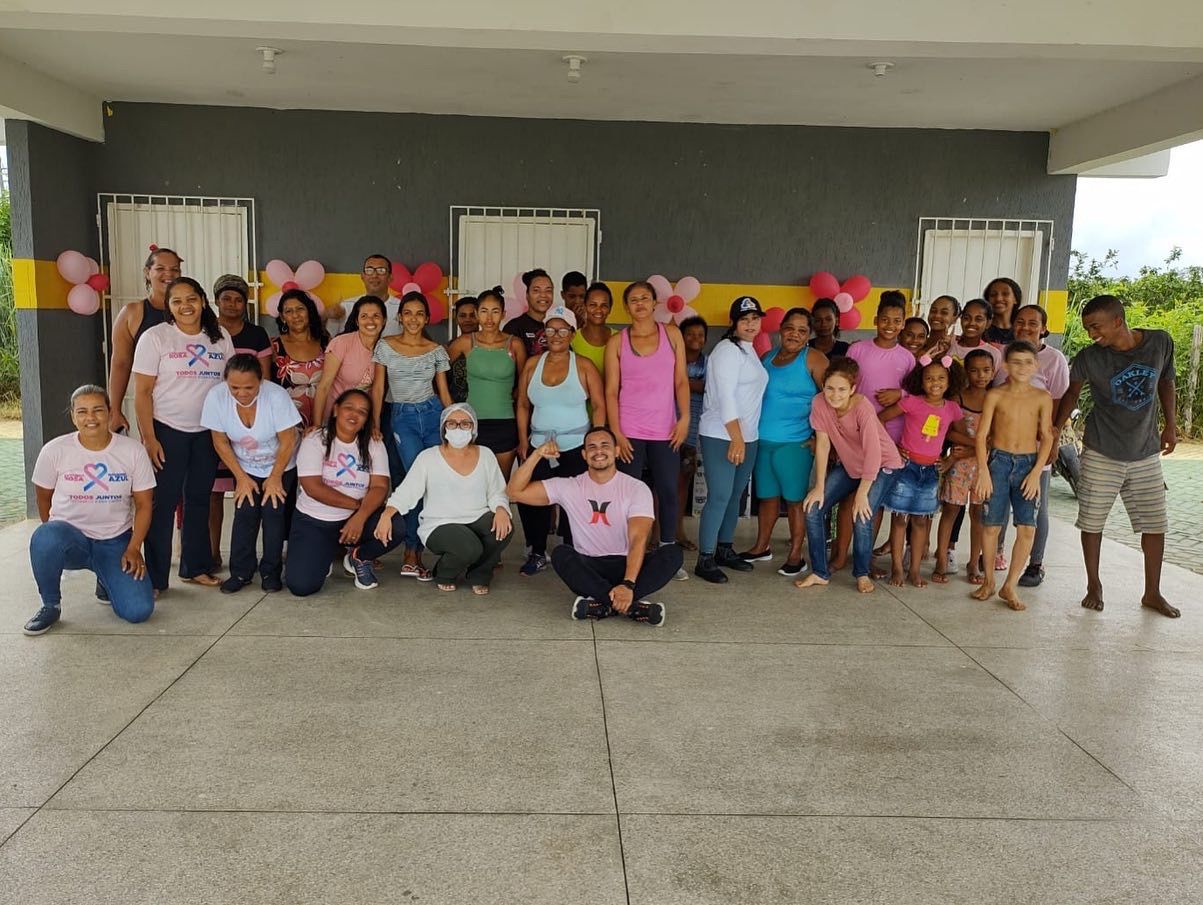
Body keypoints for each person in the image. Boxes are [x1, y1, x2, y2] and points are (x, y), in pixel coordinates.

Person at [1054, 294, 1179, 618]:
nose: (1091, 334)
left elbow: (1167, 382)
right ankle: (1093, 585)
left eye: (1096, 327)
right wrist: (1054, 431)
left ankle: (1152, 592)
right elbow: (1071, 394)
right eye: (1087, 328)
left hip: (1145, 451)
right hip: (1101, 450)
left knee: (1155, 524)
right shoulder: (1089, 357)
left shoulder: (1159, 343)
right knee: (1092, 521)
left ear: (1118, 321)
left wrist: (1171, 426)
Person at [507, 428, 681, 626]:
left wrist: (627, 583)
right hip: (589, 567)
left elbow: (638, 539)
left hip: (628, 565)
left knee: (672, 553)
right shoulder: (569, 486)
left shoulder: (636, 488)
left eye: (605, 445)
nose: (598, 451)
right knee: (561, 554)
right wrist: (537, 454)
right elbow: (514, 492)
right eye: (592, 447)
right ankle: (631, 607)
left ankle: (603, 604)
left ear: (616, 451)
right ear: (584, 455)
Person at [22, 386, 156, 635]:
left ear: (110, 413)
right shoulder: (54, 450)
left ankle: (105, 578)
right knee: (45, 536)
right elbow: (43, 498)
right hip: (73, 540)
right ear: (73, 416)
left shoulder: (133, 451)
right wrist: (53, 538)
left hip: (114, 541)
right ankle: (50, 605)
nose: (90, 418)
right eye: (82, 411)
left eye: (98, 410)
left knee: (138, 611)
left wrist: (134, 547)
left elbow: (144, 504)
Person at [132, 277, 234, 592]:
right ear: (169, 307)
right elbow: (142, 393)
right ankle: (156, 579)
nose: (185, 306)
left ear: (202, 301)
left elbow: (230, 387)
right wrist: (149, 438)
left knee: (199, 500)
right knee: (162, 505)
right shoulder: (156, 337)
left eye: (191, 299)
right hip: (167, 431)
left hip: (207, 432)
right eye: (176, 301)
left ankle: (195, 567)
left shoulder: (220, 337)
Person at [373, 404, 513, 594]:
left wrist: (502, 509)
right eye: (452, 423)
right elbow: (407, 491)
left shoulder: (486, 454)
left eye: (465, 423)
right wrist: (387, 514)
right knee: (470, 547)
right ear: (443, 428)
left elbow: (497, 491)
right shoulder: (428, 457)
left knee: (504, 528)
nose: (458, 428)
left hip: (476, 517)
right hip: (439, 524)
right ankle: (444, 573)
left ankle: (479, 574)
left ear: (473, 428)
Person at [285, 389, 407, 596]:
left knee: (395, 526)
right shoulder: (315, 439)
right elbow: (313, 487)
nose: (354, 415)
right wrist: (357, 507)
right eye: (349, 408)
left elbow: (380, 486)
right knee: (301, 587)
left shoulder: (374, 444)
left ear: (367, 420)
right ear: (335, 410)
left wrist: (360, 517)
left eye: (362, 412)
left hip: (355, 519)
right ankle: (322, 555)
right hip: (315, 520)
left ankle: (358, 557)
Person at [796, 359, 902, 594]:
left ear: (853, 389)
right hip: (851, 464)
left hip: (883, 464)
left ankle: (862, 573)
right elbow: (823, 444)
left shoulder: (863, 408)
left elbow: (873, 453)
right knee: (813, 508)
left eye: (842, 389)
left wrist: (862, 493)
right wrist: (819, 486)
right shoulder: (819, 403)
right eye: (830, 388)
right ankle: (820, 573)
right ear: (823, 386)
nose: (835, 395)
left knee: (862, 514)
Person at [514, 304, 606, 574]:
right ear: (544, 333)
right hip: (539, 446)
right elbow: (522, 404)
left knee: (576, 502)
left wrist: (595, 445)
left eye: (563, 330)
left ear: (572, 333)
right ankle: (537, 551)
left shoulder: (584, 366)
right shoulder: (532, 364)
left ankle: (573, 551)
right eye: (551, 330)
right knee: (532, 500)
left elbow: (599, 405)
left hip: (576, 446)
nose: (556, 335)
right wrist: (523, 440)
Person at [201, 354, 301, 594]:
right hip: (245, 465)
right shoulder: (216, 397)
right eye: (234, 387)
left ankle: (271, 572)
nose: (242, 393)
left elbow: (288, 440)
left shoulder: (276, 396)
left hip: (280, 463)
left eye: (249, 387)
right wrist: (241, 478)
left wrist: (275, 478)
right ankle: (241, 572)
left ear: (261, 381)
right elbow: (220, 441)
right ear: (226, 381)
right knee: (245, 512)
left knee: (273, 512)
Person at [371, 291, 452, 580]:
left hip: (432, 414)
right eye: (408, 313)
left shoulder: (436, 350)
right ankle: (411, 551)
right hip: (402, 417)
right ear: (400, 317)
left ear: (427, 318)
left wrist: (453, 424)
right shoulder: (386, 346)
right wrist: (375, 423)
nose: (413, 319)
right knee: (413, 480)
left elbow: (443, 392)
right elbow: (378, 388)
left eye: (419, 314)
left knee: (436, 481)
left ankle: (438, 547)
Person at [740, 307, 828, 576]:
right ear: (781, 330)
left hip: (795, 443)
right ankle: (761, 547)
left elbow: (832, 401)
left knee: (794, 501)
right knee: (767, 497)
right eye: (790, 328)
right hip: (763, 440)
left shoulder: (814, 359)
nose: (794, 334)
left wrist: (818, 438)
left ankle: (795, 555)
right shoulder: (767, 357)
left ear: (808, 335)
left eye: (802, 331)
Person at [604, 281, 690, 552]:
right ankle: (627, 551)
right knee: (628, 494)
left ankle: (666, 549)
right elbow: (610, 391)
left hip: (665, 430)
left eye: (644, 298)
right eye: (633, 299)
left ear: (655, 303)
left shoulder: (672, 334)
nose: (639, 303)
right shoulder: (616, 342)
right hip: (628, 431)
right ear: (626, 307)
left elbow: (681, 381)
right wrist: (616, 432)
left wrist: (685, 418)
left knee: (668, 490)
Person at [973, 341, 1054, 611]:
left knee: (1027, 527)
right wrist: (983, 471)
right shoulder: (996, 395)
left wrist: (1036, 473)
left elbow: (1047, 437)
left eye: (1028, 362)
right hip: (998, 462)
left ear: (1036, 366)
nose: (1022, 367)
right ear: (1005, 366)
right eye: (1016, 362)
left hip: (1028, 465)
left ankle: (1010, 584)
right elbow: (982, 435)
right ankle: (988, 581)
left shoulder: (1042, 397)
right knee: (991, 525)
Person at [694, 297, 770, 583]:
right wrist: (736, 438)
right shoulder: (726, 350)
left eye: (755, 319)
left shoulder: (749, 350)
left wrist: (745, 437)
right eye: (744, 319)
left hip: (748, 435)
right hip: (721, 434)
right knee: (720, 495)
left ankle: (724, 548)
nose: (750, 324)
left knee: (735, 495)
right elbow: (725, 397)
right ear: (734, 323)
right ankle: (705, 557)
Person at [877, 355, 965, 587]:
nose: (935, 383)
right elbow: (880, 419)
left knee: (920, 521)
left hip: (931, 472)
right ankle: (897, 568)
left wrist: (950, 459)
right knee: (899, 519)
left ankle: (914, 571)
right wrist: (893, 448)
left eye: (941, 378)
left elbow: (958, 436)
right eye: (929, 378)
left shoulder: (952, 409)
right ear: (921, 380)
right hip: (906, 468)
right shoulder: (912, 402)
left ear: (949, 380)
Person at [209, 273, 273, 569]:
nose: (232, 304)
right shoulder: (205, 331)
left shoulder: (256, 334)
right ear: (216, 301)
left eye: (238, 299)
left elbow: (265, 378)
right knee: (214, 491)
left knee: (248, 490)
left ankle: (248, 557)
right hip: (217, 419)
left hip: (249, 422)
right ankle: (212, 553)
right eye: (226, 298)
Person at [1007, 304, 1070, 587]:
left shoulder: (1054, 359)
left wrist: (1052, 442)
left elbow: (1058, 405)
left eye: (1033, 323)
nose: (1026, 327)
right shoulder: (1004, 354)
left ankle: (1035, 564)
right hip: (1004, 444)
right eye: (1020, 321)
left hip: (1036, 447)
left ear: (1044, 328)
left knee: (1036, 506)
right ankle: (994, 555)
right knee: (999, 503)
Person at [448, 288, 527, 478]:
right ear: (477, 314)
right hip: (472, 423)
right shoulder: (465, 342)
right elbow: (438, 369)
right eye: (484, 311)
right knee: (472, 481)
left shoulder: (515, 344)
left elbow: (524, 386)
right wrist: (449, 404)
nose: (489, 318)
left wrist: (523, 434)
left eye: (495, 311)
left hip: (505, 423)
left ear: (503, 314)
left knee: (500, 484)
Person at [932, 349, 995, 585]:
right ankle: (941, 559)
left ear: (993, 372)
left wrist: (971, 450)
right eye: (975, 370)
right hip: (959, 464)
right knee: (951, 510)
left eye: (986, 370)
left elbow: (996, 437)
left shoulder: (995, 399)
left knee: (978, 513)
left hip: (983, 467)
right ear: (966, 372)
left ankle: (973, 563)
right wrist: (976, 445)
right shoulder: (957, 399)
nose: (981, 375)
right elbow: (949, 432)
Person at [107, 246, 183, 433]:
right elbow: (120, 363)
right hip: (152, 410)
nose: (168, 274)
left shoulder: (194, 311)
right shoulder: (132, 313)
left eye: (174, 269)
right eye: (160, 269)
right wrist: (114, 409)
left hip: (194, 408)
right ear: (147, 272)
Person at [846, 291, 914, 443]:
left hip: (894, 428)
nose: (890, 325)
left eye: (897, 321)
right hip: (859, 423)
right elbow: (844, 384)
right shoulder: (856, 350)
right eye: (885, 320)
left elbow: (915, 392)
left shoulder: (907, 357)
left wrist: (900, 394)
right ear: (876, 320)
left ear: (903, 324)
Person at [312, 296, 386, 426]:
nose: (370, 321)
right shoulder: (341, 343)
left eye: (376, 316)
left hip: (360, 419)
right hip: (334, 417)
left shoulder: (383, 349)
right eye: (364, 316)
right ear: (357, 321)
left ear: (384, 320)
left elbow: (378, 390)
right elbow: (324, 386)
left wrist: (375, 424)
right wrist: (317, 425)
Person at [271, 288, 329, 429]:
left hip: (322, 422)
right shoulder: (274, 346)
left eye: (300, 309)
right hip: (287, 424)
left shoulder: (326, 342)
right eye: (288, 311)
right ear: (282, 317)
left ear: (309, 311)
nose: (295, 315)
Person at [675, 315, 708, 551]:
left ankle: (678, 532)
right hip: (665, 428)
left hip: (692, 431)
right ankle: (656, 534)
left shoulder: (709, 363)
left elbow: (709, 388)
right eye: (690, 334)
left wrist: (680, 382)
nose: (695, 338)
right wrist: (692, 384)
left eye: (700, 335)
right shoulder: (670, 359)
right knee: (661, 484)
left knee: (683, 482)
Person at [323, 254, 399, 335]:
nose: (374, 275)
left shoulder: (401, 308)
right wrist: (325, 316)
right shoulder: (345, 307)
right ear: (362, 276)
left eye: (381, 270)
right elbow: (331, 338)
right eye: (369, 270)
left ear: (390, 277)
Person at [504, 268, 555, 356]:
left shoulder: (558, 326)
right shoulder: (514, 328)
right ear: (527, 295)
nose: (543, 295)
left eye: (548, 290)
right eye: (536, 290)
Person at [570, 282, 614, 380]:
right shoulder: (572, 338)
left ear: (610, 309)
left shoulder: (619, 338)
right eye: (593, 305)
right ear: (585, 306)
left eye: (604, 305)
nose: (598, 310)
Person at [951, 299, 1005, 376]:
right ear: (961, 319)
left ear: (988, 323)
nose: (971, 323)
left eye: (978, 319)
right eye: (966, 318)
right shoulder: (950, 345)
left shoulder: (994, 354)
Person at [448, 295, 478, 403]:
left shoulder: (490, 346)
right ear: (456, 318)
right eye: (462, 315)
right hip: (457, 408)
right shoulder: (449, 348)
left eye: (472, 315)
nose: (467, 320)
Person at [983, 277, 1023, 346]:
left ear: (1015, 299)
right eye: (993, 294)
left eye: (1005, 294)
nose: (998, 299)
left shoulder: (1022, 330)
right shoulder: (980, 329)